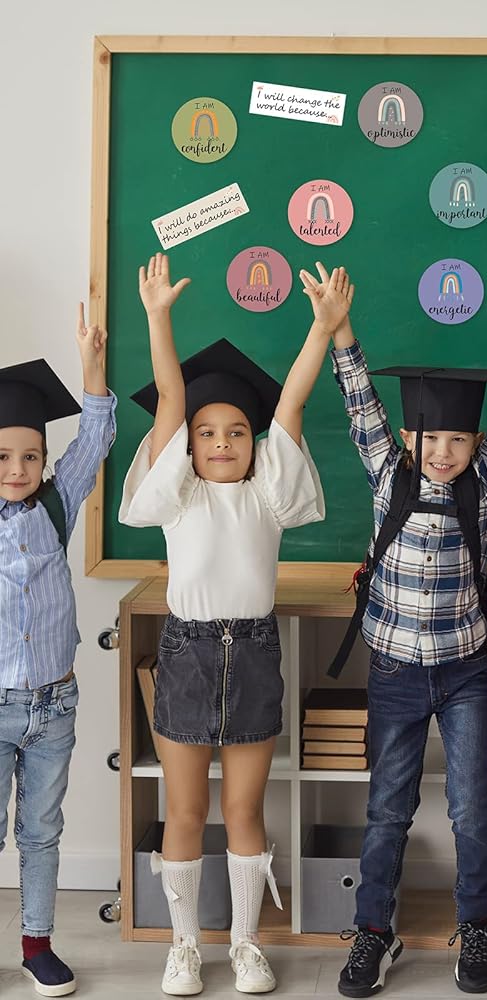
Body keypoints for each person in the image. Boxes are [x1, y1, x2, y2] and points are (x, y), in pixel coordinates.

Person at [318, 263, 487, 997]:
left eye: (459, 439)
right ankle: (373, 931)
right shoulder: (386, 474)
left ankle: (475, 926)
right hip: (394, 670)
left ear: (474, 442)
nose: (445, 452)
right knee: (387, 807)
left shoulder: (481, 484)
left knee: (471, 806)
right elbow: (358, 399)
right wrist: (341, 327)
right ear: (407, 436)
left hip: (464, 671)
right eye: (431, 438)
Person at [119, 253, 329, 996]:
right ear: (186, 444)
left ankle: (245, 943)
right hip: (188, 654)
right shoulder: (177, 496)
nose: (220, 443)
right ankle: (184, 946)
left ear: (254, 442)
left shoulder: (268, 493)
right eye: (206, 433)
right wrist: (158, 318)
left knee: (243, 808)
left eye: (236, 431)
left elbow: (292, 404)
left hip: (256, 655)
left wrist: (321, 328)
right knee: (185, 809)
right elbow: (170, 400)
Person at [0, 305, 116, 997]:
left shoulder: (56, 505)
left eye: (30, 456)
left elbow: (95, 438)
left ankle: (37, 945)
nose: (18, 468)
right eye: (2, 456)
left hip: (53, 705)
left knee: (41, 831)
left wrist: (91, 365)